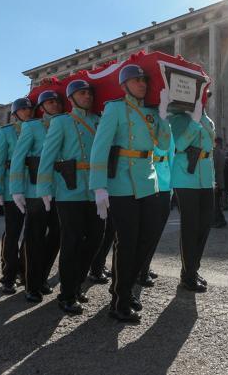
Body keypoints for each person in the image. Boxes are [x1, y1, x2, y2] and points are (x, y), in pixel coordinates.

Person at [89, 65, 172, 322]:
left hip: (149, 180)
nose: (142, 84)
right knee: (127, 243)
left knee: (146, 240)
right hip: (122, 183)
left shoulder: (151, 112)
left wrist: (164, 116)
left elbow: (165, 144)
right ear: (125, 84)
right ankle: (120, 300)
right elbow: (100, 147)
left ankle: (125, 289)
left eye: (144, 80)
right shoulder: (115, 108)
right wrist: (99, 186)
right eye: (137, 81)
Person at [37, 80, 104, 314]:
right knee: (72, 241)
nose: (87, 97)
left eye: (89, 93)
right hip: (70, 189)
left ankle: (76, 284)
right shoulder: (62, 122)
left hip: (96, 189)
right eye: (82, 93)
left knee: (96, 238)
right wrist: (44, 187)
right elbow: (48, 155)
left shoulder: (99, 121)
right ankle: (66, 294)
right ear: (72, 98)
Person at [10, 90, 63, 302]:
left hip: (61, 188)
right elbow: (18, 158)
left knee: (57, 234)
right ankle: (31, 284)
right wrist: (16, 189)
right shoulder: (32, 126)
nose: (55, 104)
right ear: (41, 107)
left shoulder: (67, 123)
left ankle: (41, 276)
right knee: (34, 237)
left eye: (58, 100)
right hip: (35, 190)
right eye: (50, 102)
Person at [168, 80, 215, 292]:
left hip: (205, 179)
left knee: (204, 225)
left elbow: (209, 152)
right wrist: (194, 121)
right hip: (185, 178)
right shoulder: (178, 118)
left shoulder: (208, 120)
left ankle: (193, 268)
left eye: (206, 96)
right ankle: (187, 275)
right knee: (190, 226)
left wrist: (213, 180)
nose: (204, 100)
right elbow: (178, 146)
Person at [0, 98, 33, 294]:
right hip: (10, 189)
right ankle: (8, 275)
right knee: (13, 232)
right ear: (15, 113)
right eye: (23, 109)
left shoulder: (38, 128)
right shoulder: (6, 132)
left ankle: (26, 271)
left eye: (29, 108)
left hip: (33, 187)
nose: (28, 112)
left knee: (32, 234)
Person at [138, 115, 175, 288]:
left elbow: (172, 155)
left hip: (165, 181)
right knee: (146, 229)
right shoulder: (142, 121)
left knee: (157, 229)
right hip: (147, 180)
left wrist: (173, 186)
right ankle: (141, 269)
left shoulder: (166, 125)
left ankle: (145, 263)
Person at [212, 137, 228, 228]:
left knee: (216, 203)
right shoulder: (221, 152)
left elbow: (213, 166)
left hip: (216, 180)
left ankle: (219, 220)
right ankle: (221, 219)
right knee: (217, 202)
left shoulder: (215, 152)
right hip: (220, 179)